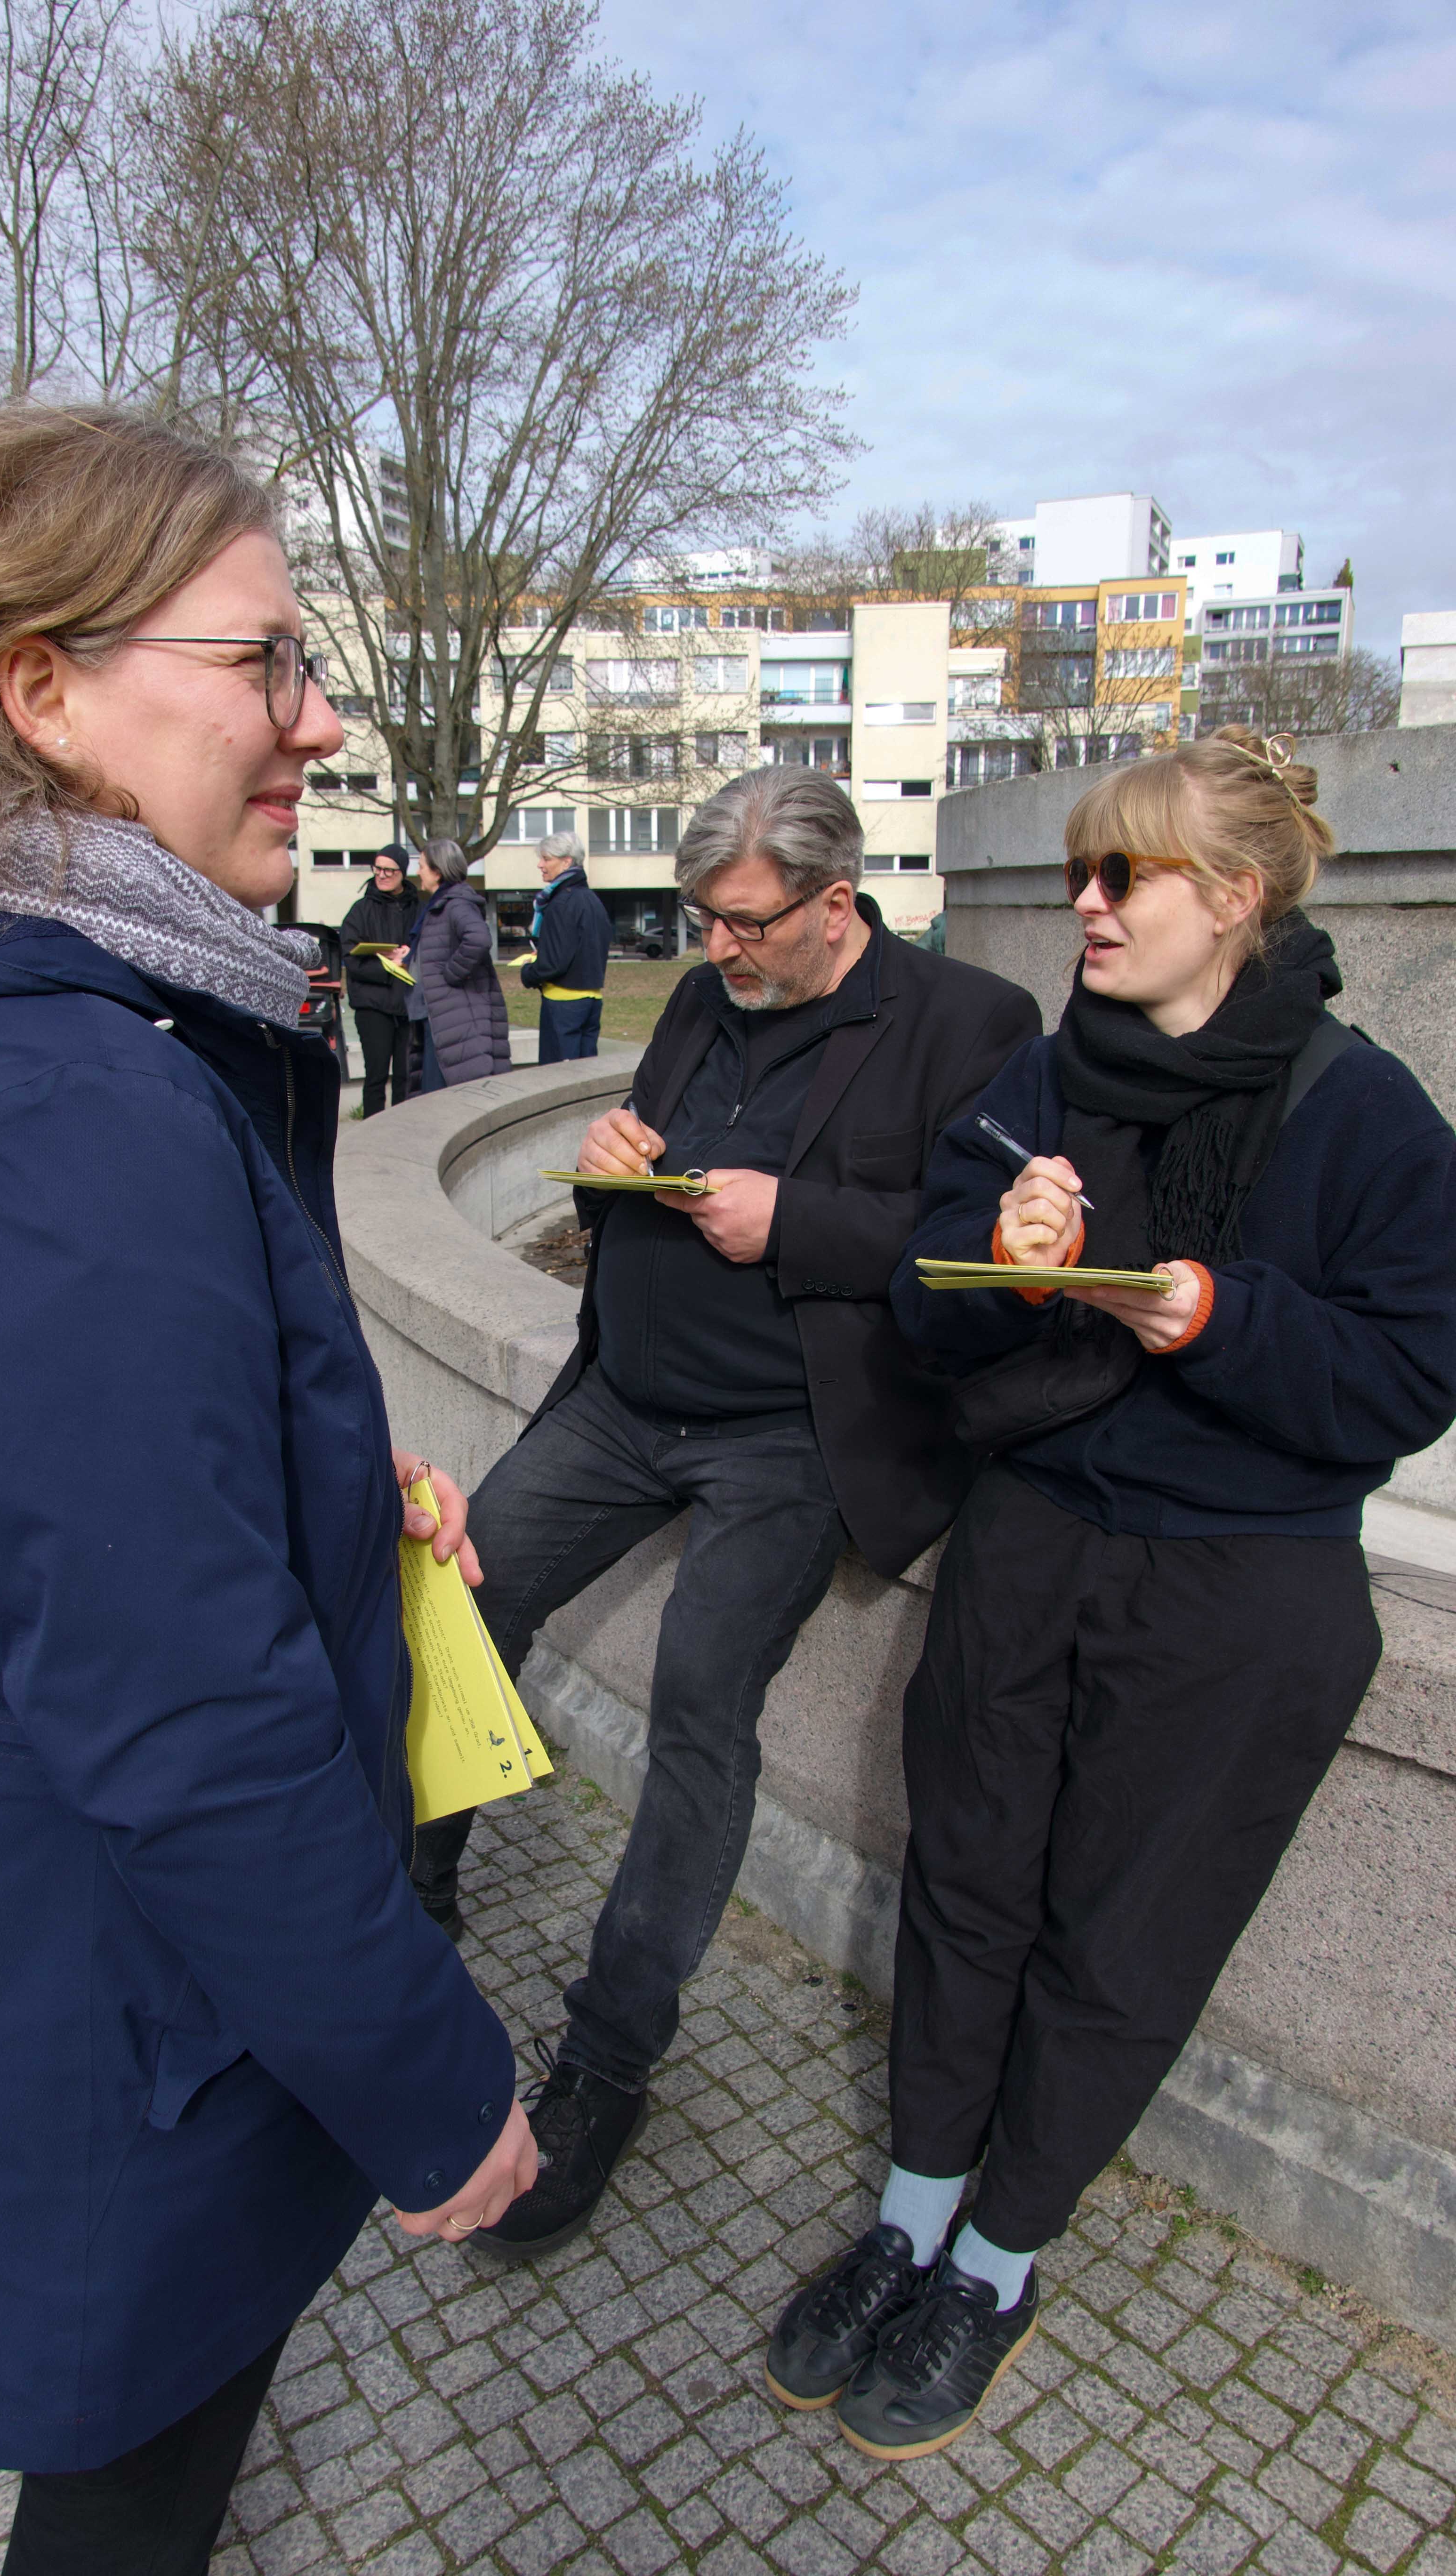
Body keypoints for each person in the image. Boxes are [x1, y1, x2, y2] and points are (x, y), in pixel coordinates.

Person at [0, 404, 536, 2574]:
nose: (320, 719)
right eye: (266, 660)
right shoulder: (54, 1110)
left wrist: (315, 1483)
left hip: (3, 1968)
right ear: (40, 687)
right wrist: (434, 2084)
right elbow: (186, 1723)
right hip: (98, 2021)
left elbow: (5, 1504)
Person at [767, 727, 1456, 2465]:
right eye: (1079, 868)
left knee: (1119, 1938)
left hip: (1236, 1595)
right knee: (966, 1887)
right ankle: (911, 2215)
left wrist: (1213, 1315)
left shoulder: (1364, 1112)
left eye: (1119, 874)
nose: (1083, 902)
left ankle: (996, 2265)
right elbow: (923, 1306)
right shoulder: (1040, 1075)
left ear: (1229, 898)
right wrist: (1003, 1270)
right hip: (1030, 1545)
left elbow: (1404, 1380)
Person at [411, 766, 1041, 2257]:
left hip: (788, 1440)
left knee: (700, 1704)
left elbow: (981, 1253)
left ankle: (607, 2059)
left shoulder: (968, 1021)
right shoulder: (704, 998)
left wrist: (796, 1220)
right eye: (703, 918)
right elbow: (633, 1157)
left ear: (837, 904)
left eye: (747, 922)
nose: (717, 949)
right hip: (623, 1401)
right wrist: (606, 1167)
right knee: (463, 1596)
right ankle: (414, 1881)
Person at [399, 838, 511, 1089]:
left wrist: (451, 974)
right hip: (438, 1016)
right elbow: (442, 947)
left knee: (444, 1095)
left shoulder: (456, 903)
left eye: (422, 866)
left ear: (438, 871)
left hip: (453, 1018)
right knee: (436, 1093)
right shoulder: (441, 904)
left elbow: (479, 940)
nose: (418, 872)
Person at [340, 844, 419, 1113]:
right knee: (375, 1076)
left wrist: (410, 955)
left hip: (408, 1005)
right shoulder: (360, 911)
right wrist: (387, 966)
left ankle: (403, 1129)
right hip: (372, 1006)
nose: (382, 875)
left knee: (406, 1077)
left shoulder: (419, 909)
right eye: (378, 869)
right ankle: (373, 1131)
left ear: (403, 873)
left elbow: (431, 949)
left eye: (389, 870)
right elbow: (351, 959)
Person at [520, 829, 609, 1060]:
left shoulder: (562, 903)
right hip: (592, 999)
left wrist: (528, 973)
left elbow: (554, 963)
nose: (540, 865)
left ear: (567, 862)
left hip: (563, 1002)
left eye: (547, 859)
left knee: (558, 1074)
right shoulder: (592, 900)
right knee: (586, 1074)